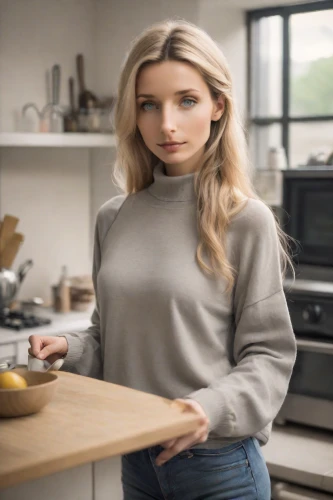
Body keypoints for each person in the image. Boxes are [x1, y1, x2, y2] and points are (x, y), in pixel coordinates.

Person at [29, 19, 297, 500]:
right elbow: (110, 339)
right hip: (136, 458)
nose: (166, 124)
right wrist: (70, 347)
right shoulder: (114, 217)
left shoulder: (245, 220)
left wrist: (206, 409)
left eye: (186, 101)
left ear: (218, 105)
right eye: (148, 105)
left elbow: (271, 357)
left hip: (219, 467)